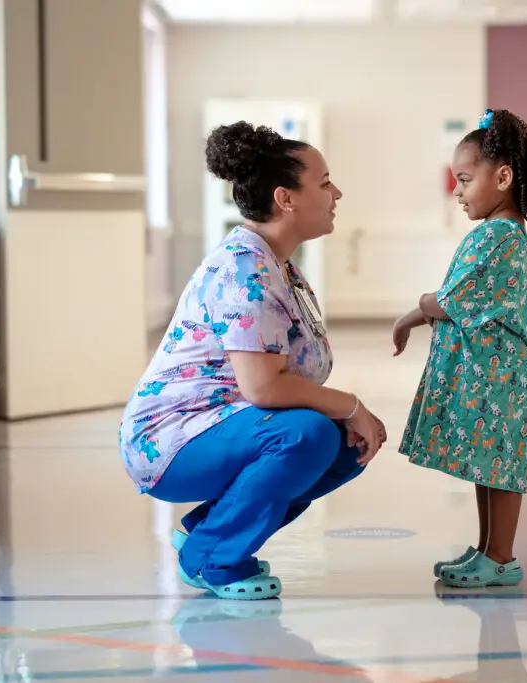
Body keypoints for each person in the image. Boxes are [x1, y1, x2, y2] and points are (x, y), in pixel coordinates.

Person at [118, 121, 387, 601]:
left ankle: (207, 531)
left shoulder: (276, 263)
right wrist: (348, 404)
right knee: (309, 434)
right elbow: (264, 389)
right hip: (168, 439)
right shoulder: (245, 270)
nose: (336, 192)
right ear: (286, 199)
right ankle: (211, 558)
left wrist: (348, 415)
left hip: (220, 424)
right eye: (324, 183)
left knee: (345, 445)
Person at [392, 108, 527, 588]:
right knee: (488, 465)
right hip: (491, 376)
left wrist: (412, 313)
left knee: (502, 469)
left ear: (503, 177)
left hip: (500, 379)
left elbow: (451, 299)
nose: (457, 190)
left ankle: (503, 558)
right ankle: (487, 551)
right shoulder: (497, 234)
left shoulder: (498, 237)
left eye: (464, 179)